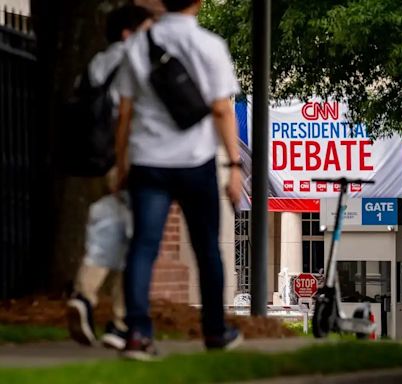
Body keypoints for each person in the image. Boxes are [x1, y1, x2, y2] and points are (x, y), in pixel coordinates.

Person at [114, 0, 242, 360]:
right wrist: (234, 165)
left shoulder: (137, 45)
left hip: (147, 161)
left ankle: (138, 333)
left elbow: (125, 111)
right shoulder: (209, 45)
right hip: (195, 161)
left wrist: (121, 163)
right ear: (198, 2)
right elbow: (221, 108)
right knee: (207, 250)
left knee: (143, 247)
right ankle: (215, 332)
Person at [66, 4, 153, 350]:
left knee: (115, 230)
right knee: (137, 239)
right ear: (129, 33)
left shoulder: (98, 63)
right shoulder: (135, 60)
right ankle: (117, 319)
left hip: (95, 160)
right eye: (146, 28)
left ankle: (86, 297)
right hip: (126, 157)